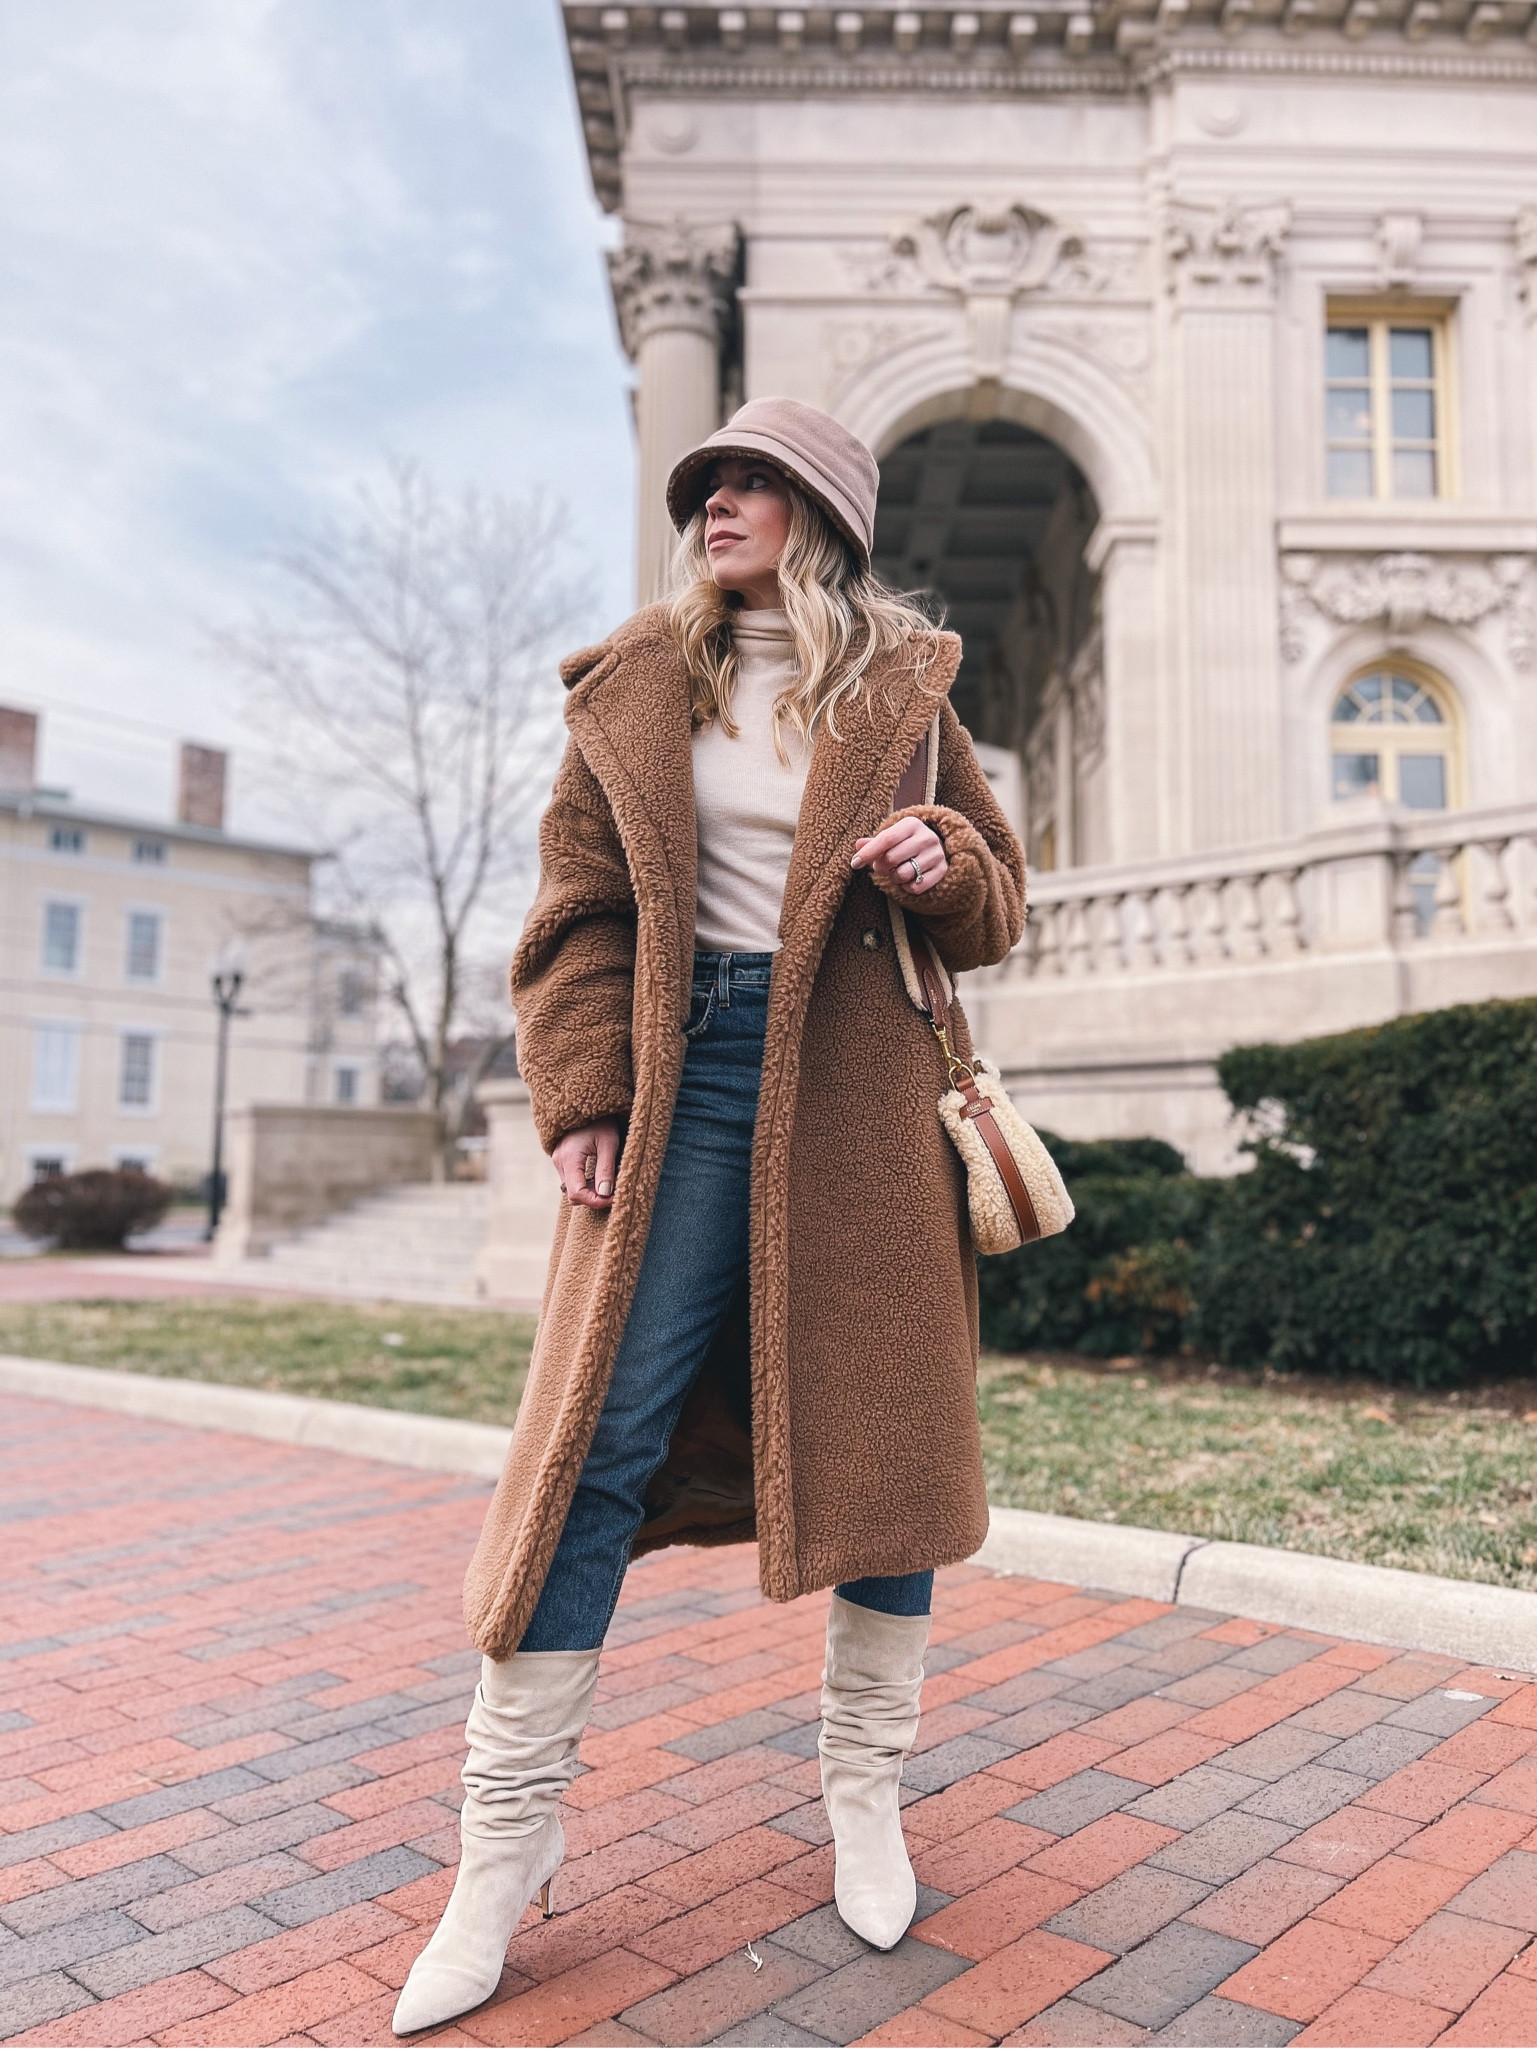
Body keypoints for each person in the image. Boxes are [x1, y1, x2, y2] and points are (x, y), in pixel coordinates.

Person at [394, 398, 1025, 2035]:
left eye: (754, 483)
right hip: (683, 1080)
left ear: (824, 517)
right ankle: (501, 1848)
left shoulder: (904, 688)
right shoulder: (635, 681)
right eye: (707, 485)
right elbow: (575, 914)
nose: (716, 505)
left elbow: (998, 901)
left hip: (859, 1090)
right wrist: (582, 1090)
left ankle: (863, 1794)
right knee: (591, 1448)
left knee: (887, 1446)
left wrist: (941, 858)